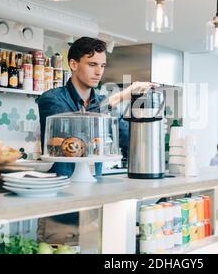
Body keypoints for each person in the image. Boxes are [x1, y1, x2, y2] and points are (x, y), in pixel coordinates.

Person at [37, 37, 157, 245]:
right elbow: (75, 130)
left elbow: (128, 139)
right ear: (73, 64)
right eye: (92, 64)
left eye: (102, 65)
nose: (99, 72)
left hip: (95, 211)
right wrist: (119, 97)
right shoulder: (52, 99)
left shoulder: (103, 102)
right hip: (60, 211)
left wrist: (147, 120)